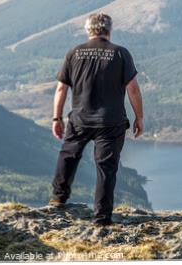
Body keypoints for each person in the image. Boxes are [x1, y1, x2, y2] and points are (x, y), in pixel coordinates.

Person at [49, 12, 144, 226]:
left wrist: (57, 117)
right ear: (109, 30)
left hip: (80, 119)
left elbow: (61, 88)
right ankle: (101, 218)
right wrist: (139, 117)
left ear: (88, 30)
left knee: (68, 155)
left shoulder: (74, 53)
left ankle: (58, 198)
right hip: (111, 122)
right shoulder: (120, 53)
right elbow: (134, 90)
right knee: (106, 168)